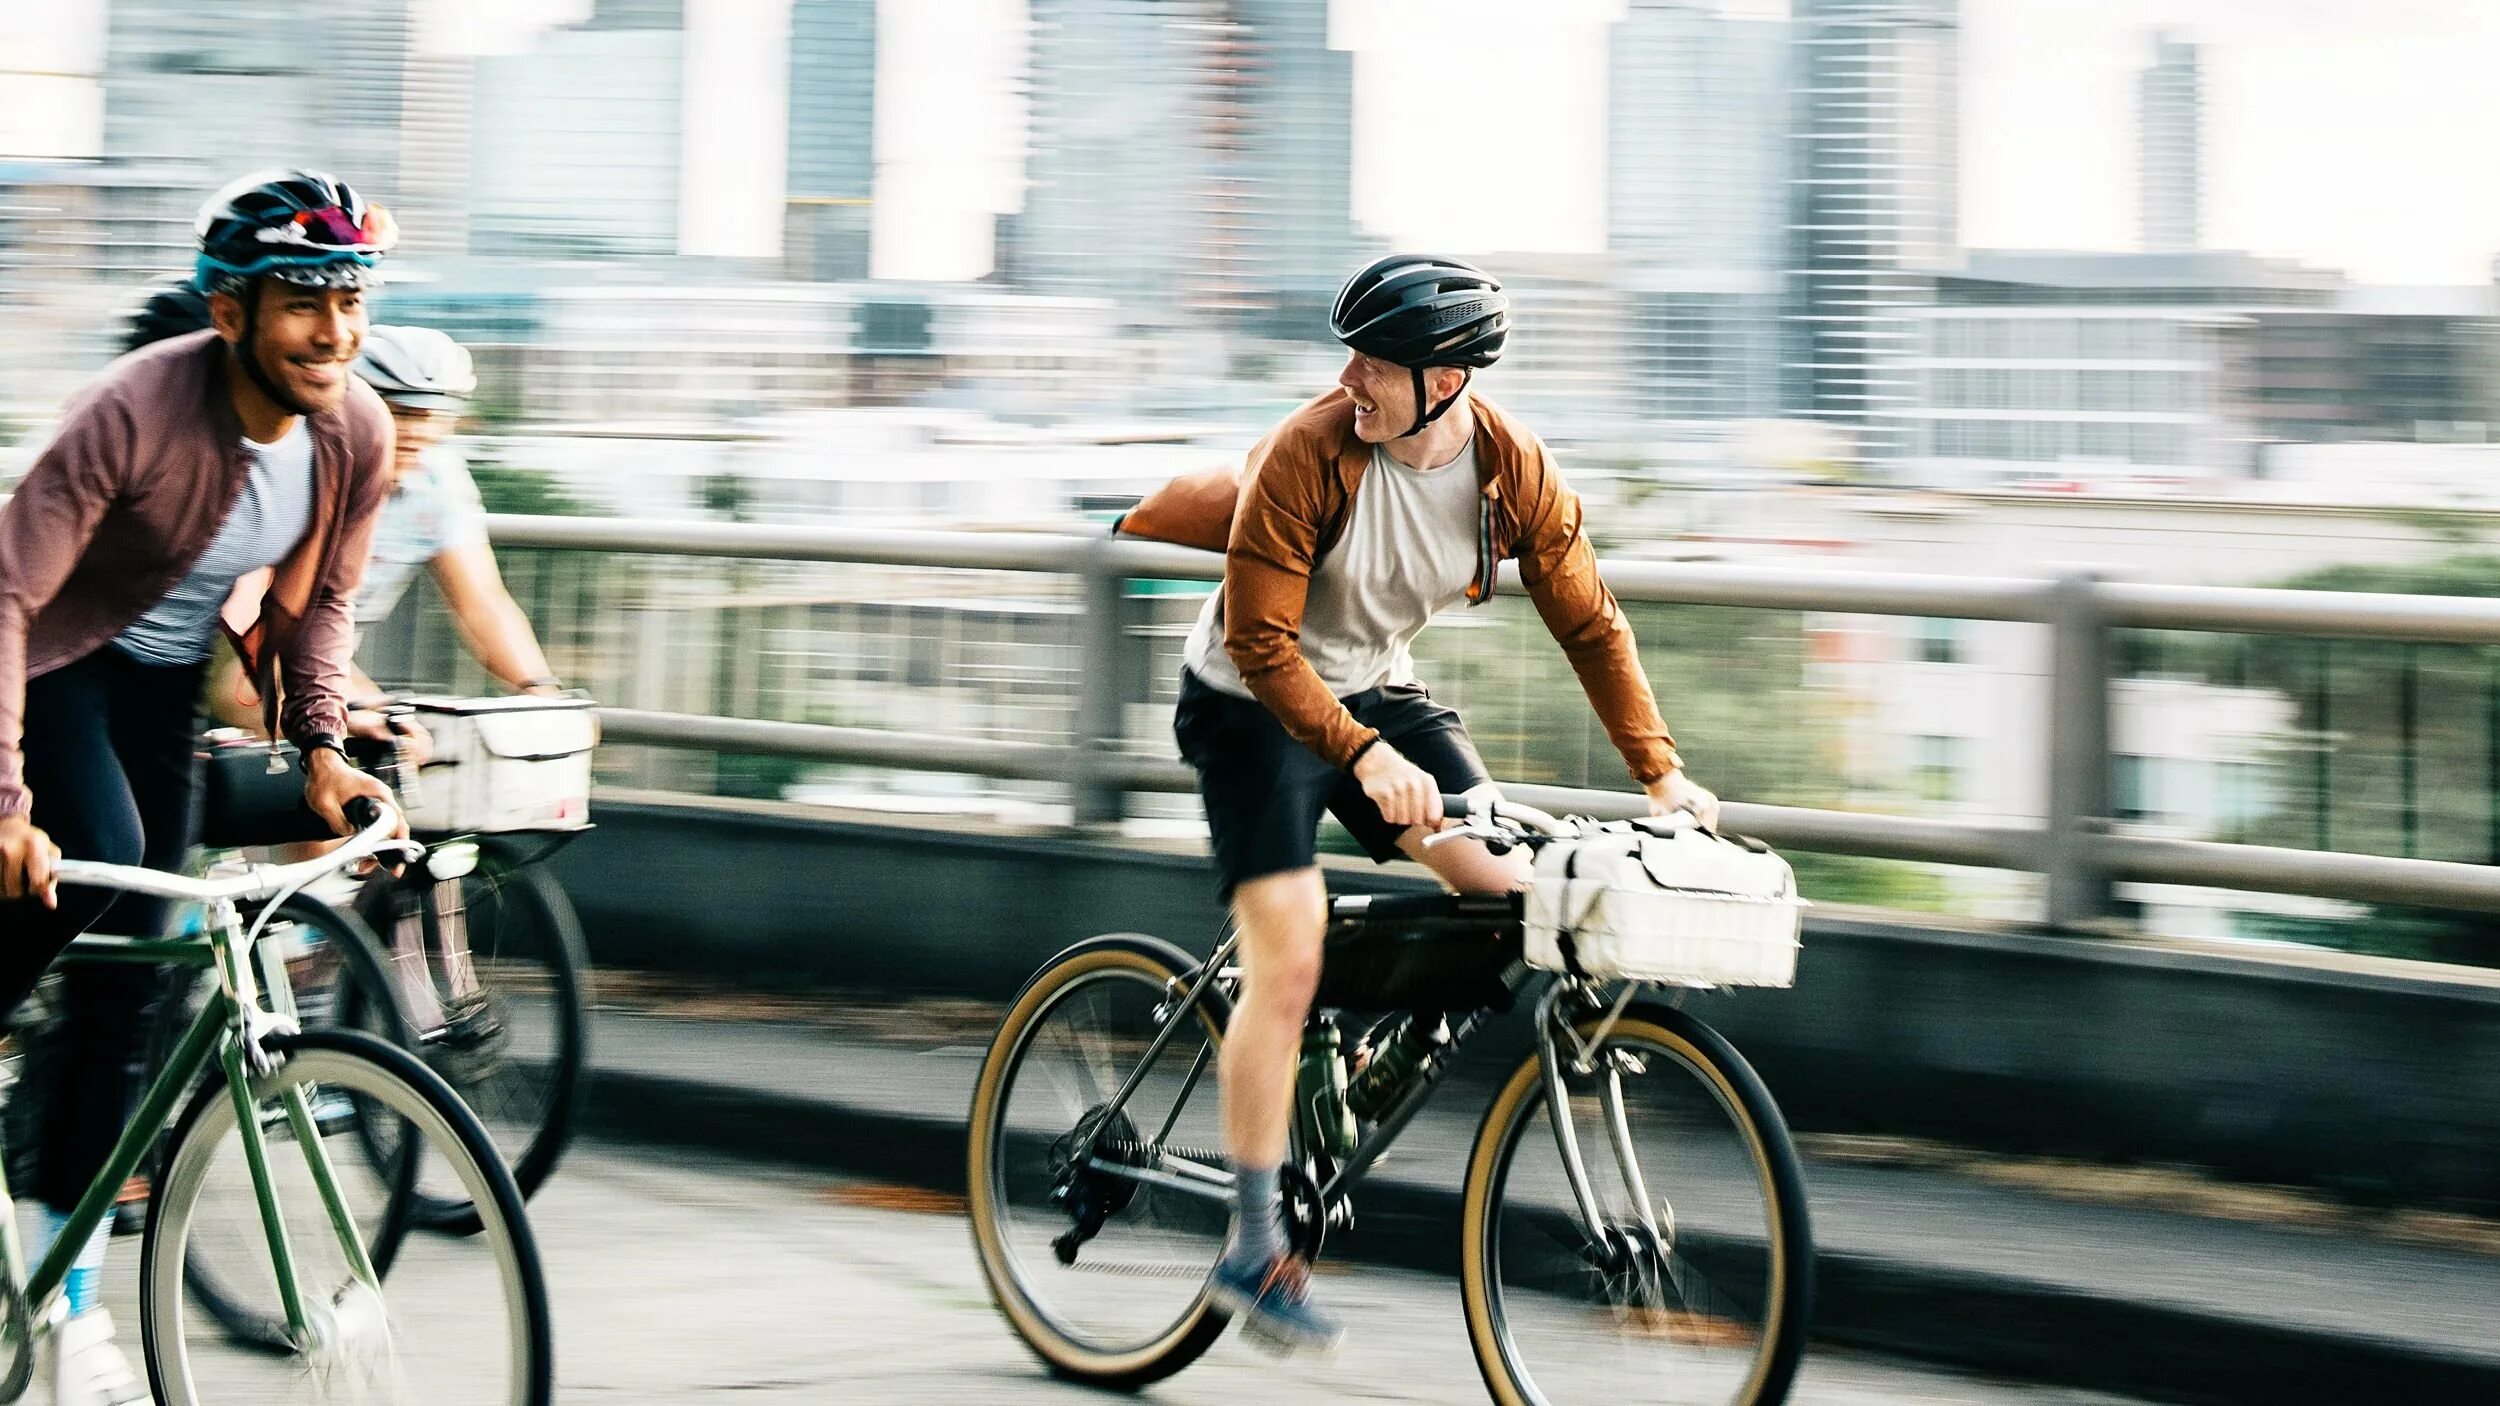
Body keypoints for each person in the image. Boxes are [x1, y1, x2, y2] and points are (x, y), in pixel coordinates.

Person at [1149, 254, 1719, 1352]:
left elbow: (1591, 624)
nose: (1351, 375)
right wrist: (1360, 757)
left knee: (1509, 883)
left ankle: (1347, 1071)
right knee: (1291, 952)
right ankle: (1253, 1243)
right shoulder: (1304, 452)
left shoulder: (1513, 472)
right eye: (1350, 353)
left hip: (1375, 689)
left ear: (1446, 379)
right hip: (1248, 704)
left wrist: (1660, 771)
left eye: (1378, 361)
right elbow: (1263, 643)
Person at [0, 169, 403, 1404]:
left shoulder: (354, 432)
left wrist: (325, 747)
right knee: (94, 848)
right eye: (299, 302)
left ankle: (68, 1312)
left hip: (163, 686)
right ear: (229, 312)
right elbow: (7, 600)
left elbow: (318, 606)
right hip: (62, 660)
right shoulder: (130, 412)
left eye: (349, 300)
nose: (331, 332)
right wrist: (6, 806)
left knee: (146, 964)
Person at [121, 297, 566, 751]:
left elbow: (483, 603)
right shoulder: (298, 468)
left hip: (317, 667)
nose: (417, 433)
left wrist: (542, 693)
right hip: (231, 663)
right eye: (399, 413)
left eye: (434, 417)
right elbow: (258, 625)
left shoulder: (437, 483)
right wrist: (364, 710)